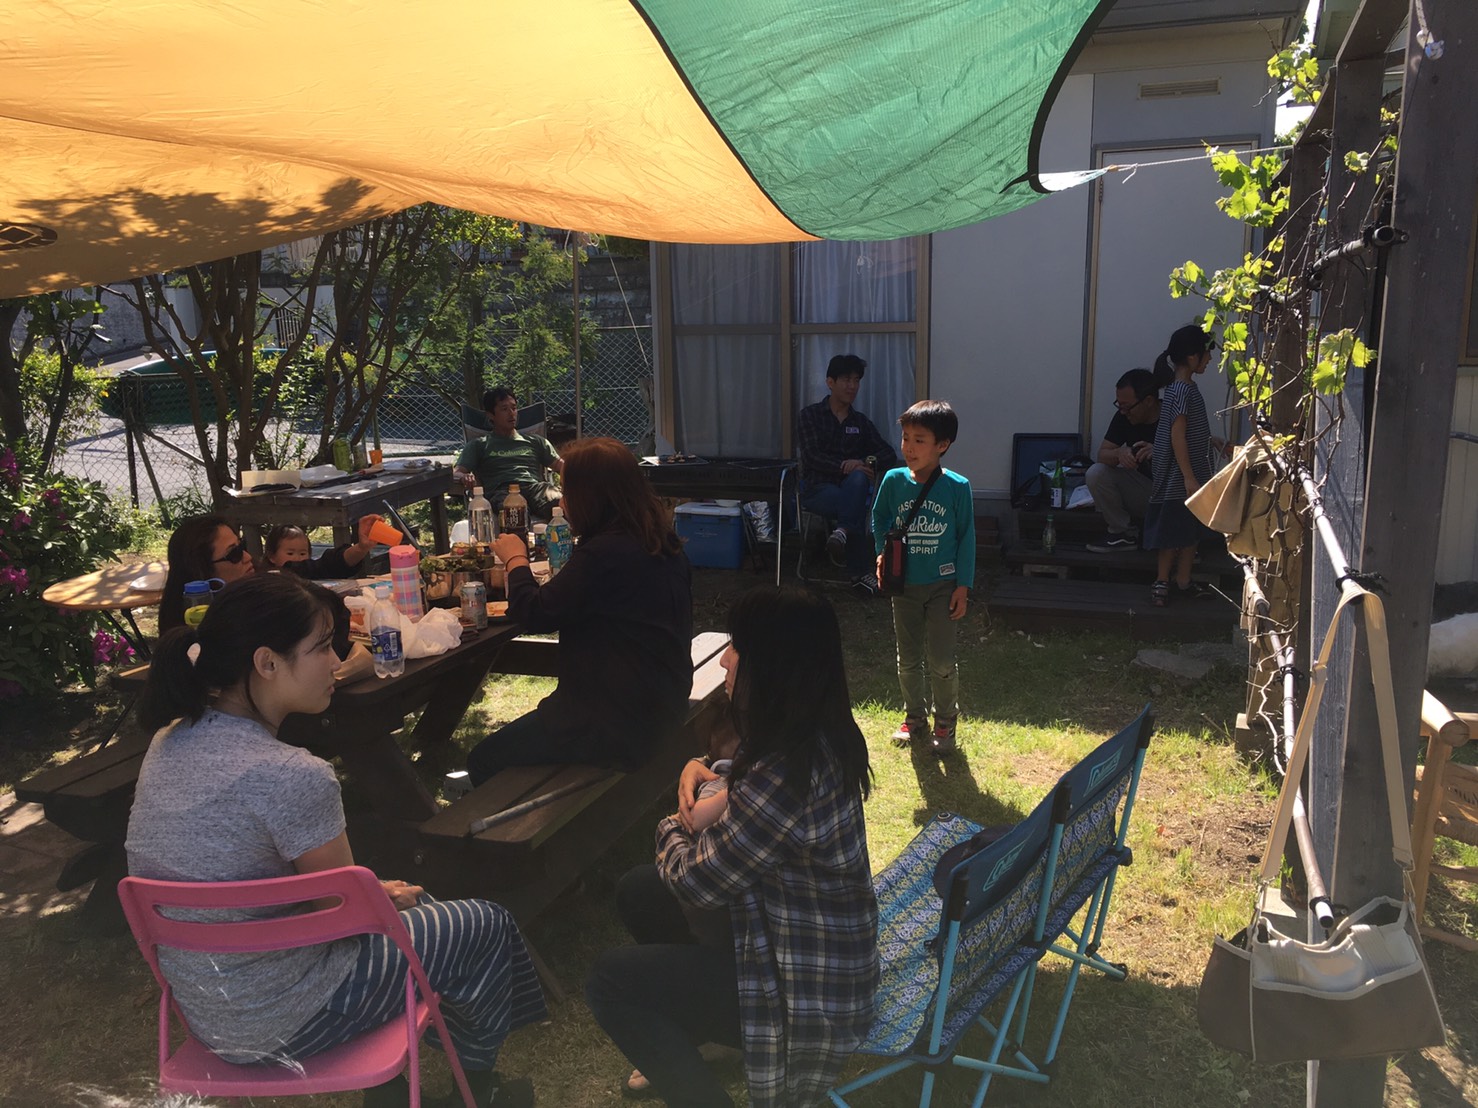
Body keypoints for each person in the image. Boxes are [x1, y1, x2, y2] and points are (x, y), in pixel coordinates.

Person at [127, 573, 545, 1107]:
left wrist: (371, 894)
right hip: (287, 1016)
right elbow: (348, 919)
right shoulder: (293, 775)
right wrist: (372, 897)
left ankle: (395, 1092)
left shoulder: (167, 743)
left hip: (210, 1011)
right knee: (485, 923)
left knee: (419, 907)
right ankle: (479, 1090)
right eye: (323, 647)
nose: (337, 661)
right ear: (266, 663)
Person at [586, 586, 878, 1108]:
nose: (725, 659)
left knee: (610, 980)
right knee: (639, 889)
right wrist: (700, 770)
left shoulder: (787, 776)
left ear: (773, 666)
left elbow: (696, 881)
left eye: (737, 647)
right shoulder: (813, 734)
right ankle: (710, 1033)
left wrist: (673, 823)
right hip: (797, 941)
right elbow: (738, 780)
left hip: (804, 994)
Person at [465, 437, 694, 785]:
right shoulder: (658, 540)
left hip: (614, 723)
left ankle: (505, 821)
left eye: (567, 492)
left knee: (483, 760)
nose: (562, 501)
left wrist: (516, 559)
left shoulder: (604, 554)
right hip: (662, 703)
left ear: (591, 498)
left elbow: (533, 613)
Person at [872, 400, 975, 755]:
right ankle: (914, 716)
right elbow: (879, 517)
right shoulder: (893, 481)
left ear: (942, 445)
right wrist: (882, 552)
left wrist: (963, 586)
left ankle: (945, 719)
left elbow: (966, 537)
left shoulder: (957, 487)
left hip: (943, 586)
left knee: (942, 659)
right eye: (905, 438)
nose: (909, 448)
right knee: (908, 657)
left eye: (919, 440)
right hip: (904, 585)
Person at [796, 353, 897, 595]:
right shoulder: (810, 415)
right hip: (818, 490)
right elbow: (811, 456)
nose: (852, 386)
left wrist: (864, 462)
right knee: (855, 504)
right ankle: (860, 573)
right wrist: (844, 465)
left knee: (859, 478)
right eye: (846, 380)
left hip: (852, 489)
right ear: (830, 382)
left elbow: (888, 454)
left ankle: (841, 533)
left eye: (856, 380)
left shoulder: (860, 422)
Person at [1144, 325, 1227, 606]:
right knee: (1172, 532)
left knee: (1191, 530)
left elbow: (1188, 432)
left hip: (1189, 475)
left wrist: (1210, 440)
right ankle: (1162, 580)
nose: (1210, 360)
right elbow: (1176, 435)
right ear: (1193, 357)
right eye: (1207, 354)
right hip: (1179, 478)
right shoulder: (1181, 390)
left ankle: (1183, 580)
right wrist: (1189, 477)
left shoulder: (1184, 388)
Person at [454, 386, 564, 521]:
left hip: (535, 488)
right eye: (504, 409)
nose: (511, 413)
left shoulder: (535, 441)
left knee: (561, 504)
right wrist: (464, 477)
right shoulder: (479, 445)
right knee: (514, 513)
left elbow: (562, 466)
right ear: (490, 415)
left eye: (514, 408)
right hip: (501, 491)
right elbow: (456, 472)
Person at [1085, 368, 1162, 552]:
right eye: (1119, 405)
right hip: (1144, 490)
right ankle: (1122, 533)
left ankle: (1180, 542)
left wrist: (1161, 451)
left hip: (1173, 494)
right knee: (1096, 473)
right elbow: (1102, 455)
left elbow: (1194, 458)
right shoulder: (1123, 417)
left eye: (1127, 407)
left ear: (1149, 401)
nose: (1123, 411)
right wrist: (1119, 453)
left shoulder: (1173, 416)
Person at [158, 514, 255, 632]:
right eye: (235, 553)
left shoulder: (256, 603)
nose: (248, 557)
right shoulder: (198, 633)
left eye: (243, 546)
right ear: (202, 571)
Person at [264, 515, 387, 579]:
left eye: (302, 553)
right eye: (290, 553)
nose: (297, 559)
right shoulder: (269, 581)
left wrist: (361, 548)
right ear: (271, 556)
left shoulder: (303, 572)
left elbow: (330, 564)